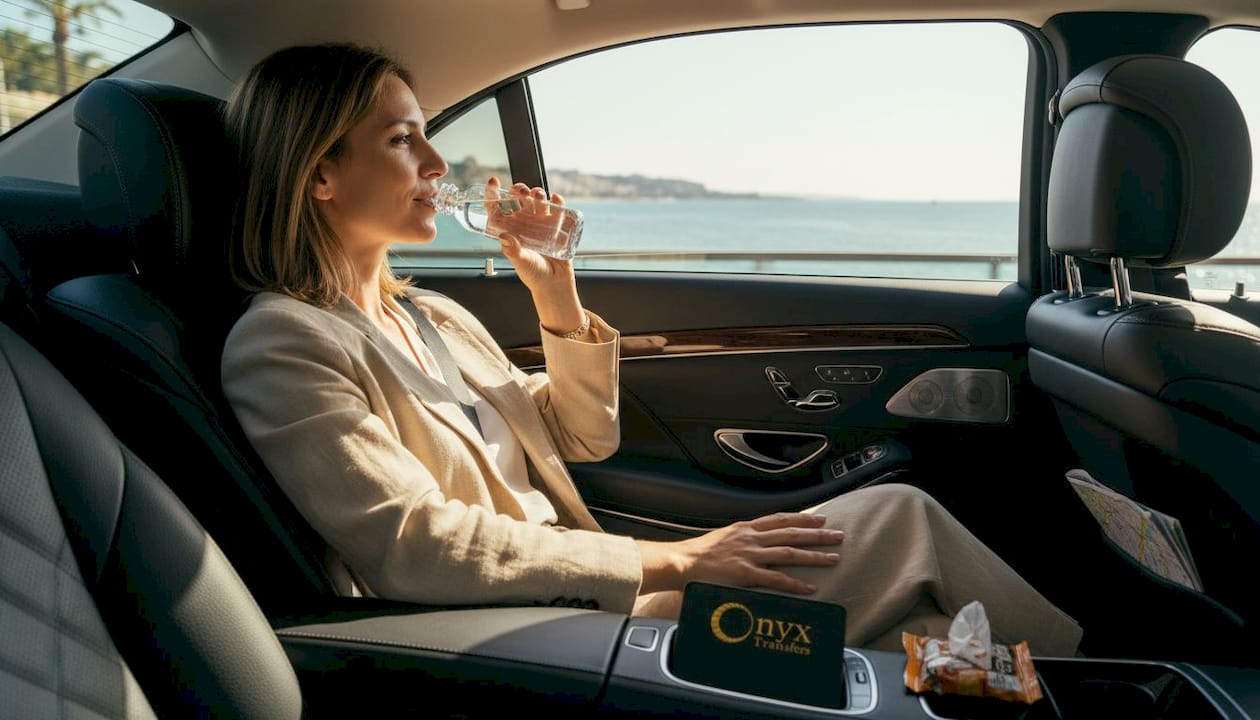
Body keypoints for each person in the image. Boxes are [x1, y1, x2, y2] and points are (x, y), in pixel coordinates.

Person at [220, 42, 1082, 657]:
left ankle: (1068, 680)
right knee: (905, 523)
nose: (438, 158)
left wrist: (553, 291)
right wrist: (676, 558)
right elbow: (413, 544)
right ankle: (1113, 682)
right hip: (523, 636)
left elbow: (582, 440)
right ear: (319, 174)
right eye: (403, 137)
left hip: (592, 594)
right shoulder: (285, 341)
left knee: (923, 642)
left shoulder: (435, 315)